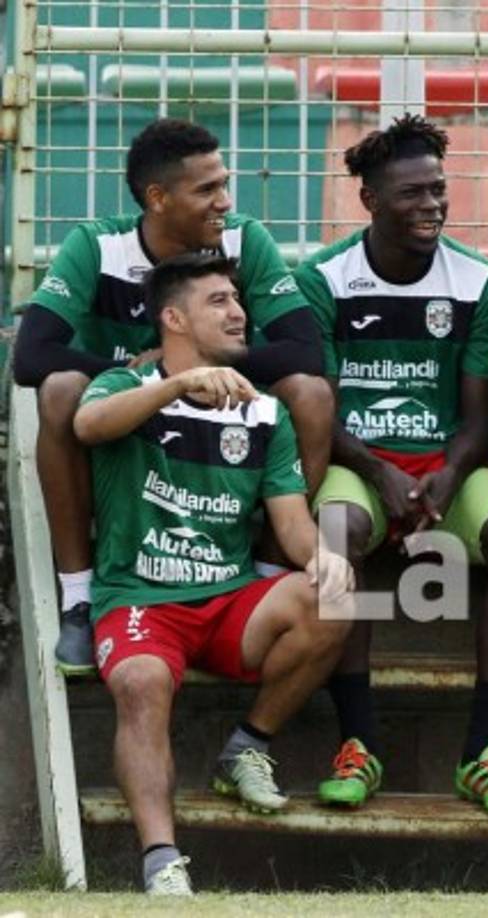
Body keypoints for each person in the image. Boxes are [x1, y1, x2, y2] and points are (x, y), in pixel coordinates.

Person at [74, 253, 354, 895]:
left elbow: (289, 522)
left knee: (335, 599)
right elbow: (86, 426)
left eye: (237, 298)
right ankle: (162, 861)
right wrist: (175, 386)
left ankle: (247, 745)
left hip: (229, 601)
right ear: (173, 318)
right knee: (141, 682)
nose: (239, 311)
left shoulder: (264, 412)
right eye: (219, 301)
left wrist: (320, 557)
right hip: (140, 599)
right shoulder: (125, 389)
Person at [12, 118, 333, 676]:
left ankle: (265, 571)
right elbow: (32, 357)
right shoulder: (98, 244)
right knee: (61, 391)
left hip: (219, 412)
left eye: (224, 184)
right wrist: (149, 376)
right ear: (157, 198)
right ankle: (79, 594)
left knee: (311, 394)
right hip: (122, 422)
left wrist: (210, 369)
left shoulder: (244, 240)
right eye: (207, 189)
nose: (224, 202)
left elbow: (305, 351)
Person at [295, 115, 488, 818]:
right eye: (412, 194)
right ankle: (358, 741)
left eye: (438, 190)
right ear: (369, 201)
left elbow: (478, 416)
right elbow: (321, 414)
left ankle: (486, 750)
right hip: (360, 463)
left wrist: (448, 478)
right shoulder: (324, 279)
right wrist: (379, 473)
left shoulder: (474, 279)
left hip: (443, 468)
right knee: (336, 526)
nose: (432, 205)